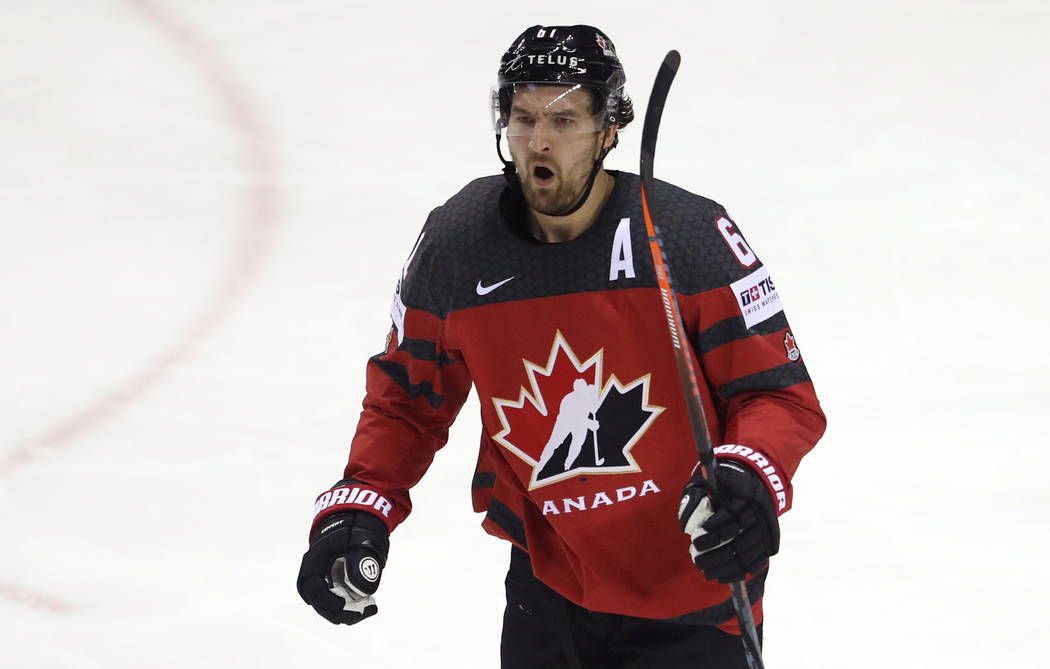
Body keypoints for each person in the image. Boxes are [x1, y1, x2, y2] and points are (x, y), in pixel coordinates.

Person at [297, 24, 826, 668]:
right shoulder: (459, 246)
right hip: (547, 591)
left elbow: (778, 393)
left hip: (694, 592)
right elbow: (407, 397)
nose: (539, 142)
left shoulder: (688, 236)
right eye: (523, 118)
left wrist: (749, 474)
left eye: (565, 119)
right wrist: (364, 501)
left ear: (609, 130)